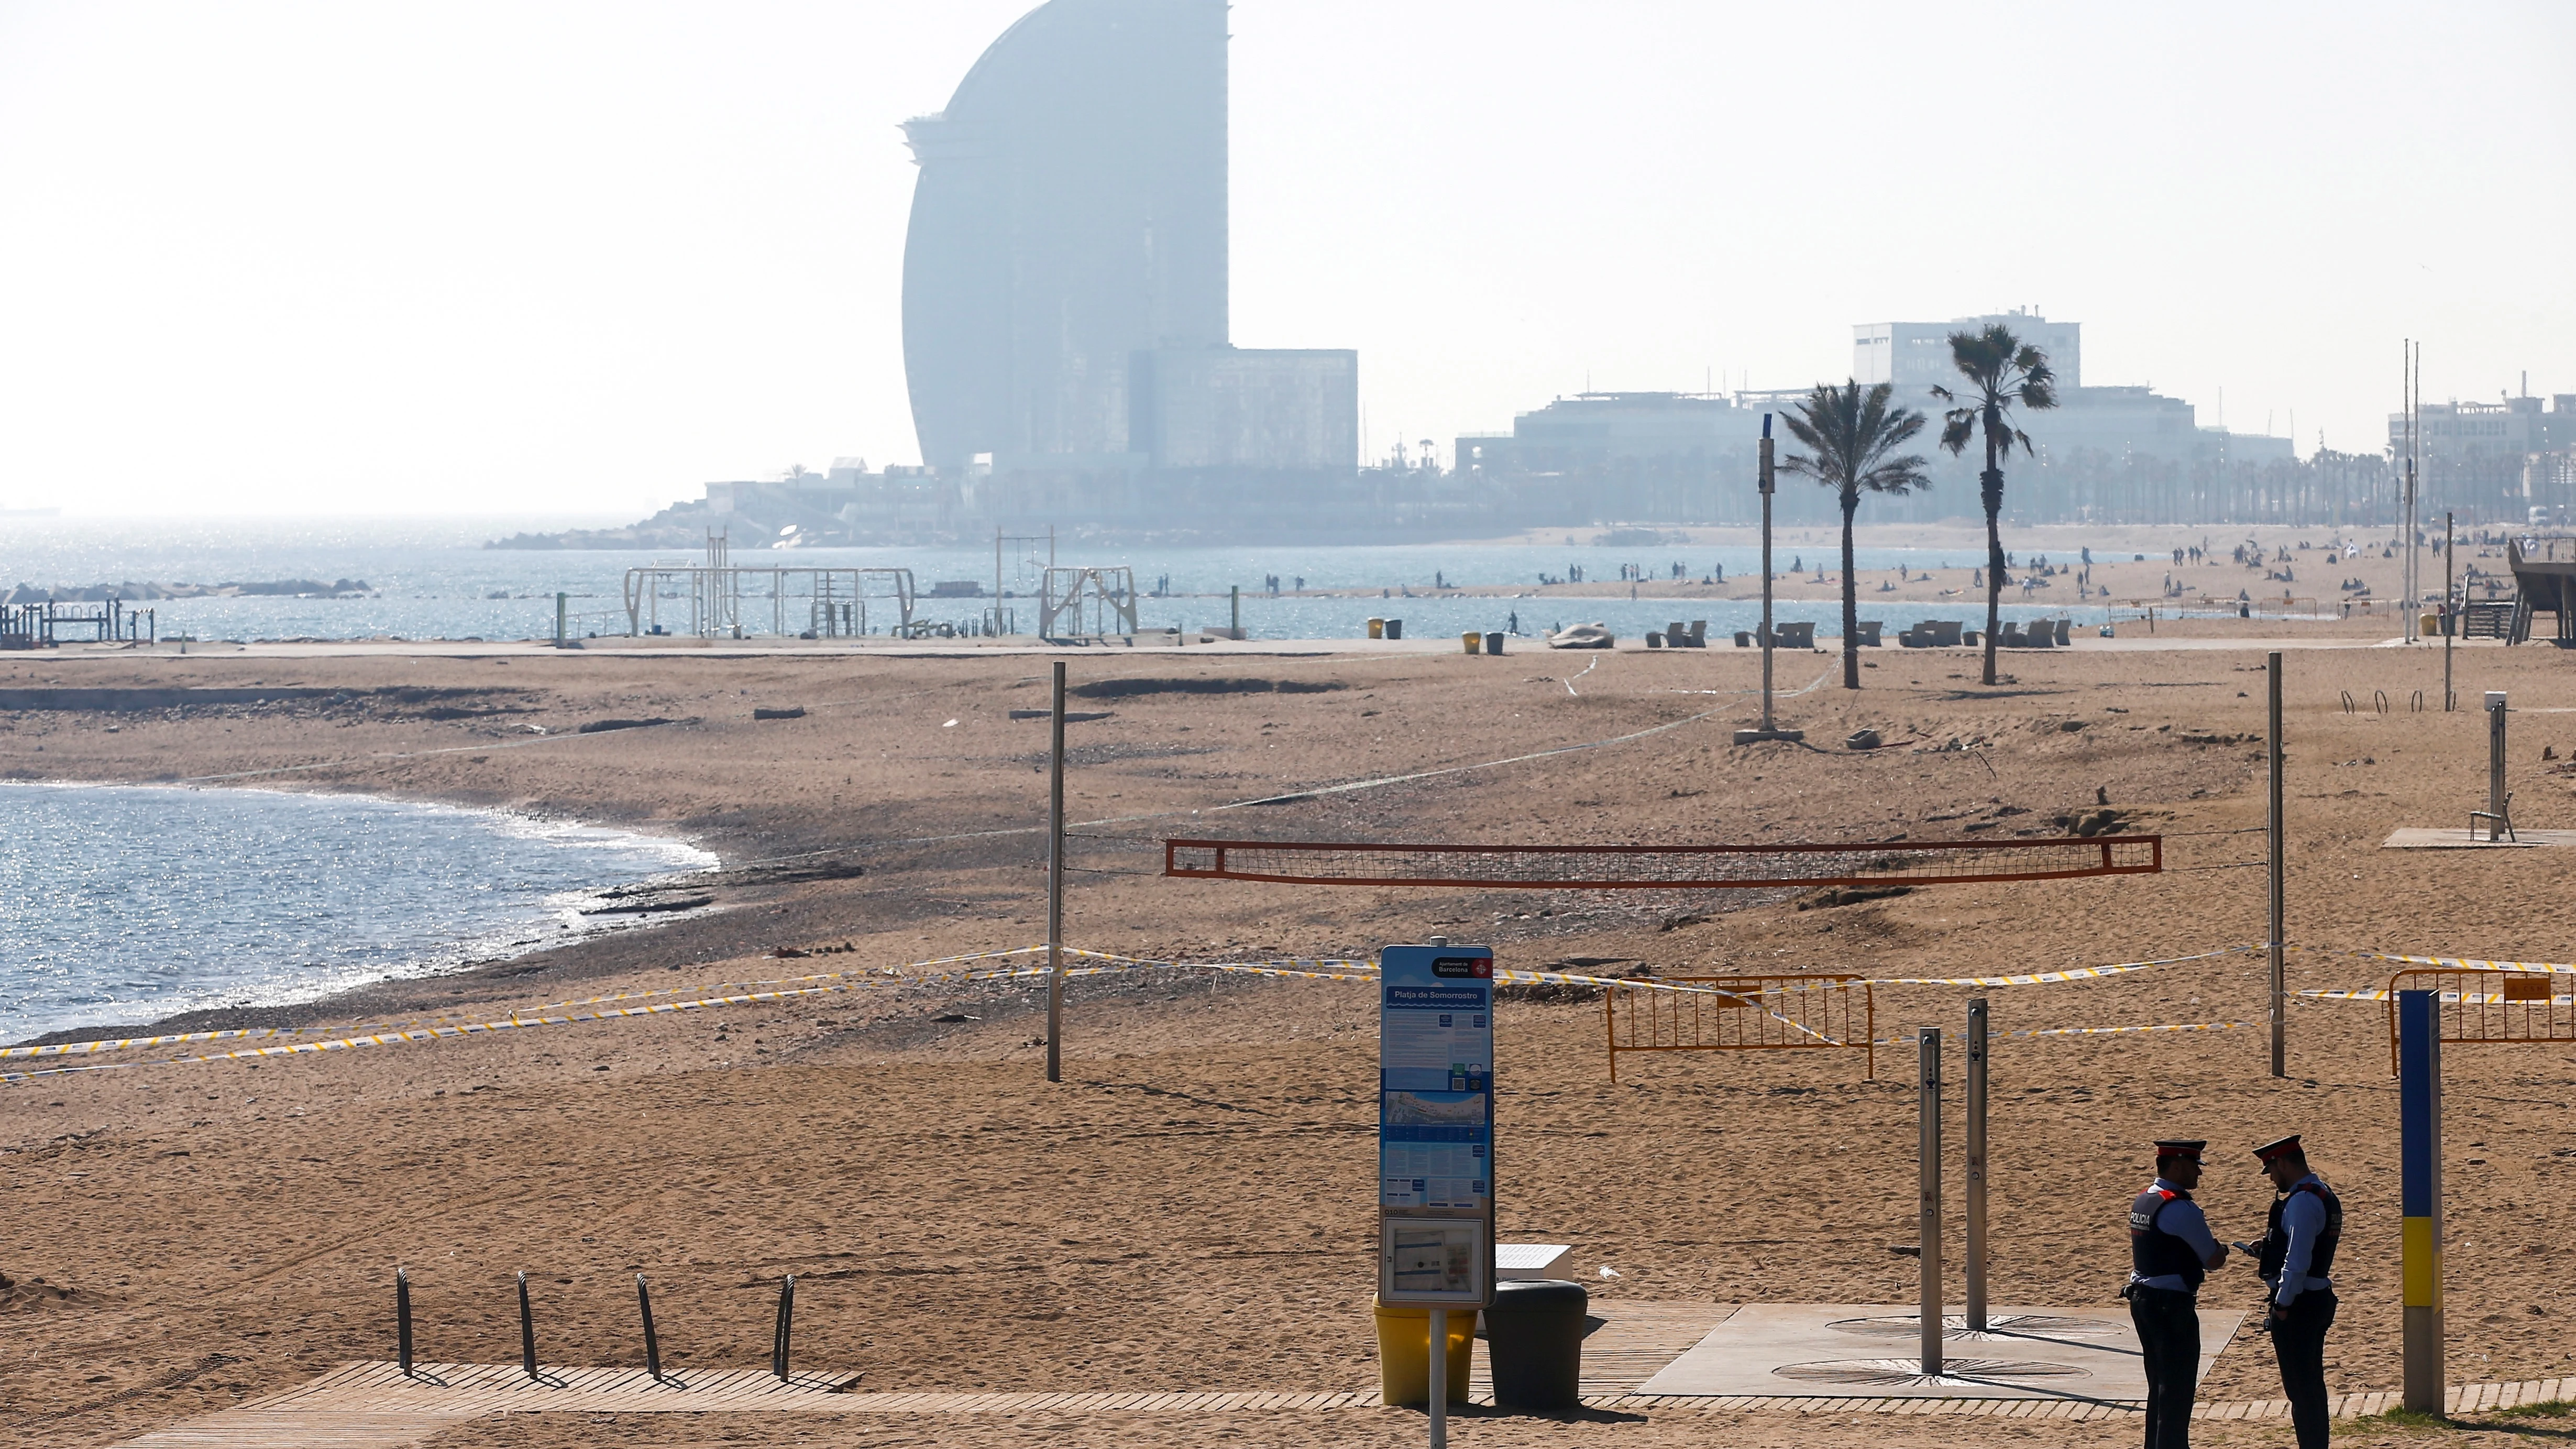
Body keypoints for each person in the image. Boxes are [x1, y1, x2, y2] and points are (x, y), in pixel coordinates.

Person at [2128, 1138, 2229, 1449]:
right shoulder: (2180, 1207)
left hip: (2143, 1299)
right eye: (2193, 1167)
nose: (2199, 1174)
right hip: (2170, 1306)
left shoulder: (2145, 1200)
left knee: (2159, 1387)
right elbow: (2212, 1259)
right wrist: (2223, 1251)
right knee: (2177, 1389)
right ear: (2176, 1166)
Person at [2243, 1135, 2340, 1449]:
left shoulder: (2301, 1201)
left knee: (2302, 1389)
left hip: (2300, 1304)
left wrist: (2282, 1304)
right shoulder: (2322, 1193)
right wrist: (2270, 1250)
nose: (2272, 1178)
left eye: (2272, 1170)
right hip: (2315, 1297)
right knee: (2309, 1385)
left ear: (2282, 1163)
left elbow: (2298, 1262)